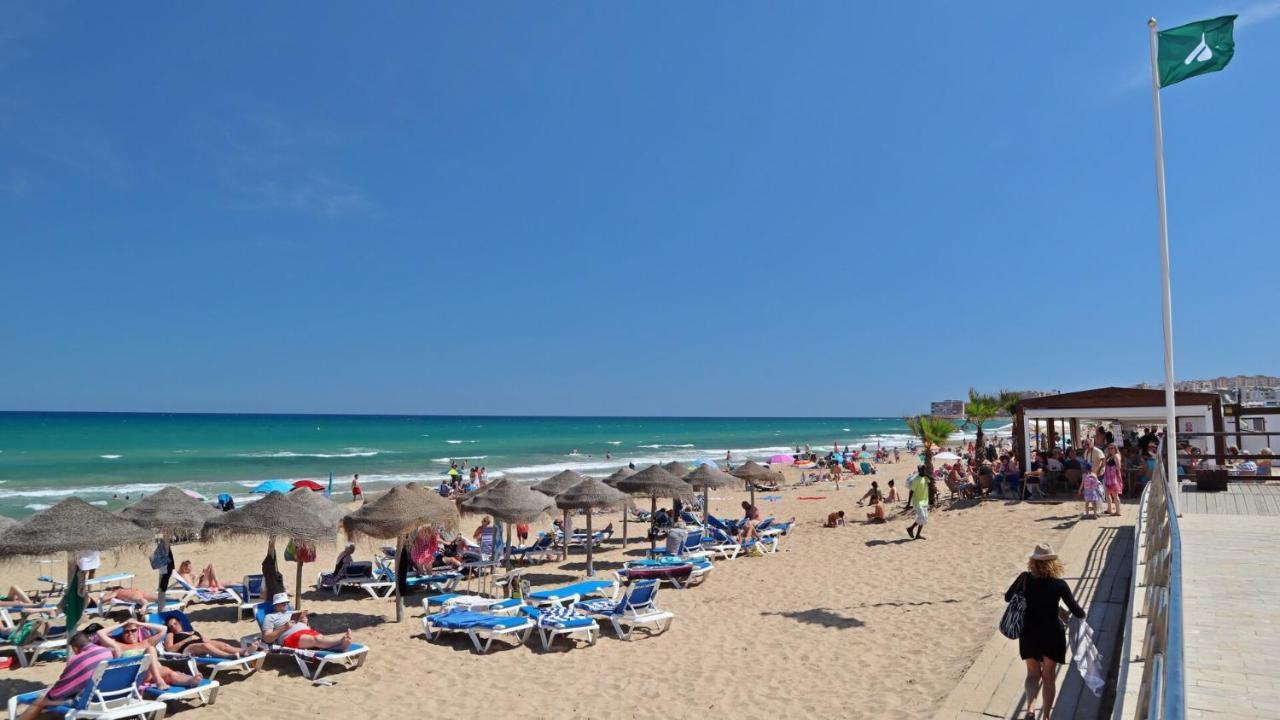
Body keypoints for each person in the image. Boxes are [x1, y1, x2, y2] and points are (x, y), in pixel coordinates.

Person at [1005, 544, 1086, 720]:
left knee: (1032, 674)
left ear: (1033, 562)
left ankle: (1030, 710)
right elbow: (1077, 611)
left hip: (1029, 632)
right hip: (1052, 634)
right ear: (1053, 563)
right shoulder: (1059, 585)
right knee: (1048, 676)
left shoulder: (1025, 579)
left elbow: (1007, 597)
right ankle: (1047, 716)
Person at [17, 632, 113, 720]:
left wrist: (49, 695)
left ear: (75, 648)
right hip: (107, 694)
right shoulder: (106, 651)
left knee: (40, 701)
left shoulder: (77, 660)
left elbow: (61, 689)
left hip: (86, 700)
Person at [96, 619, 199, 691]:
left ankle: (190, 680)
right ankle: (159, 681)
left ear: (138, 631)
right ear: (123, 634)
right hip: (136, 675)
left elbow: (163, 629)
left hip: (152, 673)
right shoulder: (119, 646)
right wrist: (123, 624)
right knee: (150, 649)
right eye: (126, 632)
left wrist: (138, 623)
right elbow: (100, 633)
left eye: (133, 630)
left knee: (169, 673)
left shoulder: (145, 642)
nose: (130, 633)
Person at [261, 593, 352, 651]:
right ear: (276, 605)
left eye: (286, 602)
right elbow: (267, 638)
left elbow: (306, 627)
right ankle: (341, 641)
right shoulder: (269, 617)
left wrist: (305, 622)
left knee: (321, 638)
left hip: (305, 631)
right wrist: (284, 628)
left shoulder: (292, 613)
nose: (285, 605)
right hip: (289, 638)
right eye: (282, 603)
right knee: (315, 640)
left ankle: (340, 647)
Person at [162, 614, 249, 659]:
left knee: (223, 645)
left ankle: (244, 651)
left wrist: (205, 639)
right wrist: (187, 640)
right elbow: (169, 649)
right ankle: (228, 656)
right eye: (171, 626)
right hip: (187, 649)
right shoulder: (171, 634)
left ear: (180, 622)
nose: (173, 627)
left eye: (175, 623)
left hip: (200, 644)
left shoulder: (190, 630)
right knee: (205, 646)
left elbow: (205, 639)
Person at [905, 466, 930, 540]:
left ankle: (917, 535)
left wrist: (927, 475)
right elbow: (911, 492)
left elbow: (933, 479)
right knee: (922, 517)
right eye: (922, 469)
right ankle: (910, 528)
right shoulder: (916, 480)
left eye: (924, 469)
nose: (924, 471)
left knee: (924, 519)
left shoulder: (926, 478)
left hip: (925, 500)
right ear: (919, 470)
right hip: (917, 501)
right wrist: (908, 503)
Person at [1101, 443, 1124, 516]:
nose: (1110, 449)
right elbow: (1104, 465)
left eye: (1112, 448)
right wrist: (1106, 456)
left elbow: (1118, 467)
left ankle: (1118, 511)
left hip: (1113, 478)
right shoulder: (1109, 456)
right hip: (1108, 477)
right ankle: (1109, 509)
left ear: (1115, 448)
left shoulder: (1116, 456)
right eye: (1109, 448)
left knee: (1115, 495)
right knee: (1107, 494)